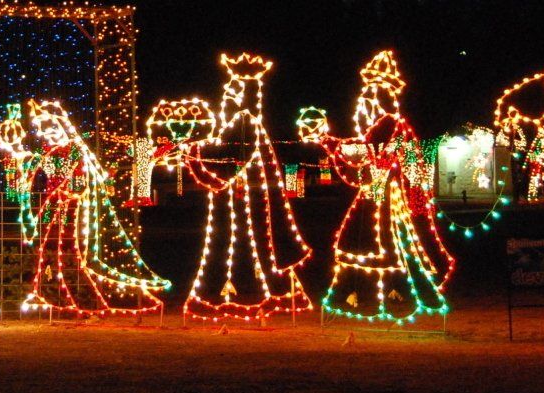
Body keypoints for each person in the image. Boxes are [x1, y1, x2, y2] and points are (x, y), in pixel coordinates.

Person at [309, 51, 453, 321]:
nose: (364, 100)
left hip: (388, 196)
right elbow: (363, 160)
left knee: (381, 243)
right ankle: (372, 293)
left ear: (382, 96)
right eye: (365, 93)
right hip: (377, 193)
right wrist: (331, 142)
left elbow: (370, 155)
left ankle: (385, 293)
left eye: (370, 93)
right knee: (369, 242)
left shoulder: (389, 124)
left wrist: (329, 142)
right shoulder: (383, 126)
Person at [0, 98, 168, 317]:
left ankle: (73, 294)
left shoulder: (77, 150)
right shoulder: (48, 154)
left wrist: (68, 192)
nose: (44, 131)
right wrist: (14, 149)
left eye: (48, 125)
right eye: (39, 127)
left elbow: (80, 182)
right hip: (52, 207)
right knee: (45, 252)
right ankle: (48, 291)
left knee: (68, 251)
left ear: (61, 124)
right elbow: (18, 182)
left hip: (72, 208)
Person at [174, 53, 313, 321]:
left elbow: (226, 159)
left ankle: (239, 297)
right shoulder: (244, 123)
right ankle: (275, 294)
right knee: (255, 246)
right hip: (242, 198)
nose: (226, 92)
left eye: (232, 87)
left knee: (238, 244)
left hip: (242, 202)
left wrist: (191, 148)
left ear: (243, 93)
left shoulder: (244, 122)